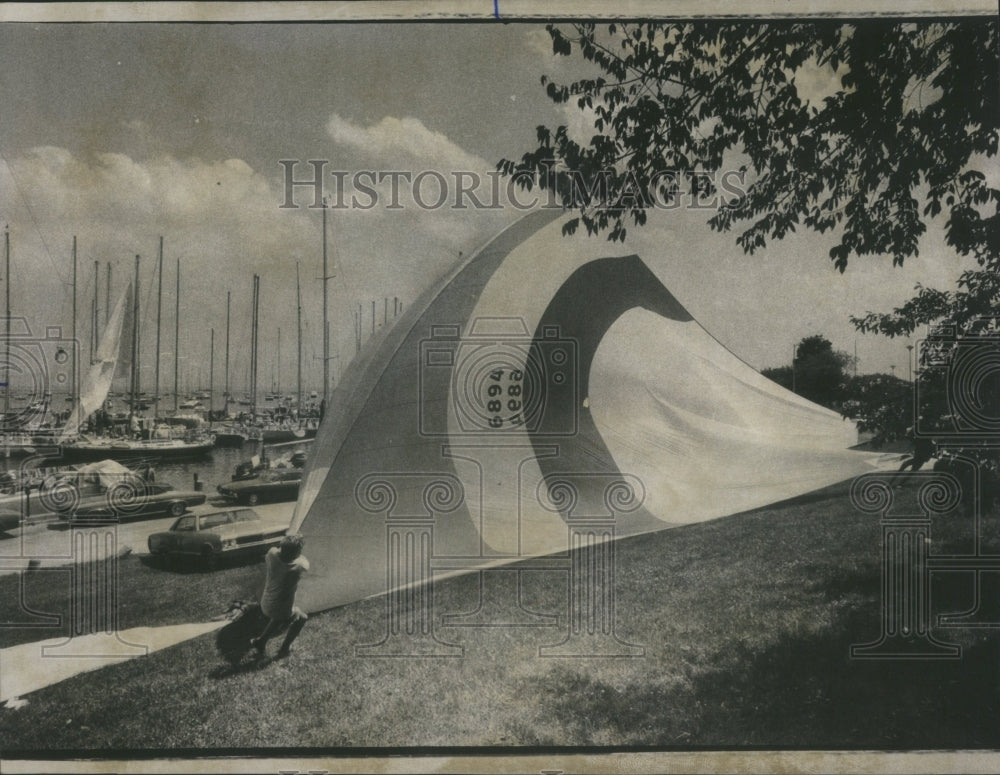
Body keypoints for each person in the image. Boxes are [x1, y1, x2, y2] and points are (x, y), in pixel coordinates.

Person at [251, 534, 309, 659]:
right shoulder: (298, 567)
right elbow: (306, 563)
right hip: (281, 611)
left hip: (265, 603)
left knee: (278, 616)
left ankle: (261, 642)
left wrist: (288, 542)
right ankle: (285, 648)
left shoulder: (272, 556)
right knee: (302, 618)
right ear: (297, 553)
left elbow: (276, 549)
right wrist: (298, 553)